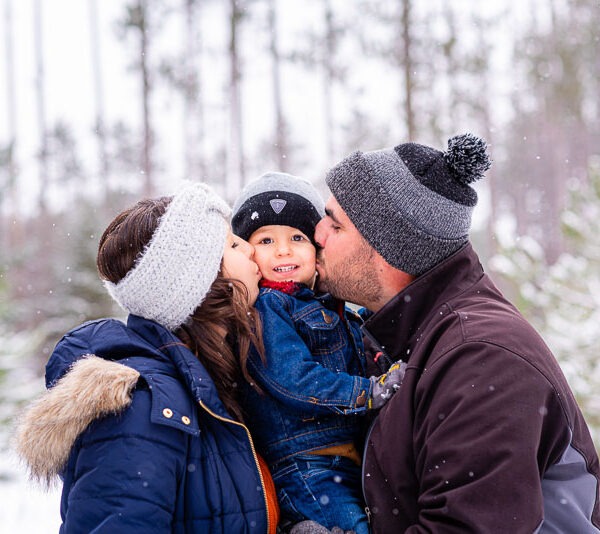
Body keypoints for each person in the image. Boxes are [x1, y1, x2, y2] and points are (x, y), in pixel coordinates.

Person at [313, 133, 600, 533]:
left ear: (387, 250)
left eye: (335, 224)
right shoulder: (412, 337)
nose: (318, 234)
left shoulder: (482, 360)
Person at [14, 181, 280, 533]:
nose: (248, 249)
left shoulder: (212, 387)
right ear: (201, 280)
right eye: (231, 244)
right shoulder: (141, 411)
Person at [231, 172, 406, 534]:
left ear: (316, 249)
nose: (283, 250)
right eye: (266, 240)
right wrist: (366, 392)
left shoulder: (332, 307)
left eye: (297, 237)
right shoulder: (267, 309)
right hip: (309, 465)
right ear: (248, 253)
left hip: (346, 458)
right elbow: (292, 378)